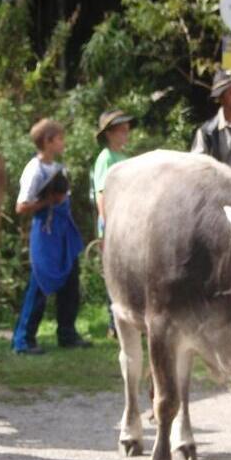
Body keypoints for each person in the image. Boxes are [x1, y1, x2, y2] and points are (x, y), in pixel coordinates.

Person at [11, 118, 88, 354]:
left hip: (63, 231)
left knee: (70, 281)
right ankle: (23, 339)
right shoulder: (34, 170)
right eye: (59, 139)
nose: (63, 143)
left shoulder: (58, 168)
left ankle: (67, 333)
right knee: (40, 283)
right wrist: (47, 201)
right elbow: (21, 207)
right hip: (45, 233)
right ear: (47, 141)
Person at [92, 109, 133, 336]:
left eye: (126, 128)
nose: (125, 133)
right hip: (112, 224)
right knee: (113, 274)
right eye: (120, 129)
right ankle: (113, 323)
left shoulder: (125, 158)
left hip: (126, 222)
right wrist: (106, 225)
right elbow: (101, 192)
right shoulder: (106, 158)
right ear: (109, 134)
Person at [190, 70, 231, 180]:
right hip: (222, 194)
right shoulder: (207, 132)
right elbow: (196, 168)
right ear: (220, 99)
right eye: (230, 92)